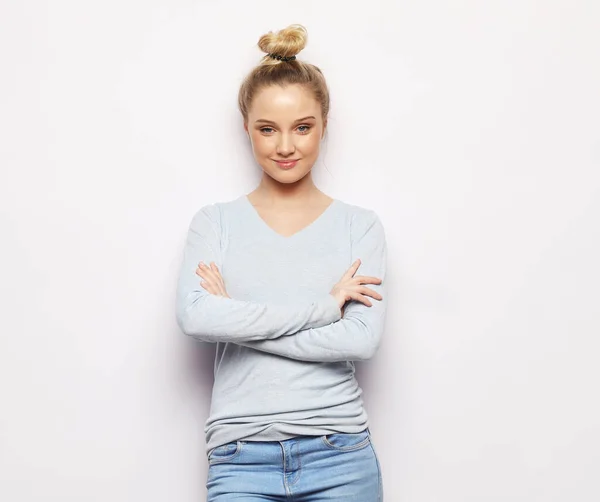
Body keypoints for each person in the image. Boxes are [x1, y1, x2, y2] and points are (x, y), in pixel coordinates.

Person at [176, 24, 387, 501]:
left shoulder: (360, 226)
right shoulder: (215, 223)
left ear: (324, 125)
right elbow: (195, 317)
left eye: (303, 127)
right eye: (267, 129)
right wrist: (324, 307)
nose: (285, 146)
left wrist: (237, 319)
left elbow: (361, 339)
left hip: (341, 452)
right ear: (246, 129)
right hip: (238, 457)